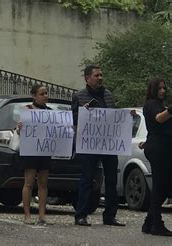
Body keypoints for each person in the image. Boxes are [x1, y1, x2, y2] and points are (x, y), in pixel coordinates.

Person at [72, 65, 125, 227]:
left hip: (108, 143)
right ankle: (81, 214)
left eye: (101, 75)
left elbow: (113, 116)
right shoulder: (79, 96)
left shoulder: (107, 94)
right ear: (87, 78)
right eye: (96, 75)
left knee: (111, 179)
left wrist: (126, 116)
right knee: (87, 179)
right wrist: (83, 112)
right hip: (90, 144)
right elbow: (73, 119)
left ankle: (110, 215)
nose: (100, 78)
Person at [16, 84, 52, 225]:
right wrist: (19, 128)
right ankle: (27, 215)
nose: (45, 96)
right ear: (34, 95)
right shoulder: (27, 110)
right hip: (30, 151)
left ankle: (42, 215)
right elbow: (20, 131)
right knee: (29, 182)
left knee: (43, 183)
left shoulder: (50, 113)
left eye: (46, 93)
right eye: (42, 94)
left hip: (44, 150)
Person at [141, 78, 172, 236]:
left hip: (163, 148)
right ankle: (156, 224)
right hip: (159, 149)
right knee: (160, 187)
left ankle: (149, 222)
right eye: (160, 88)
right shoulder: (151, 104)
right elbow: (159, 119)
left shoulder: (160, 105)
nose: (163, 91)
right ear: (153, 89)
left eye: (164, 88)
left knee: (164, 187)